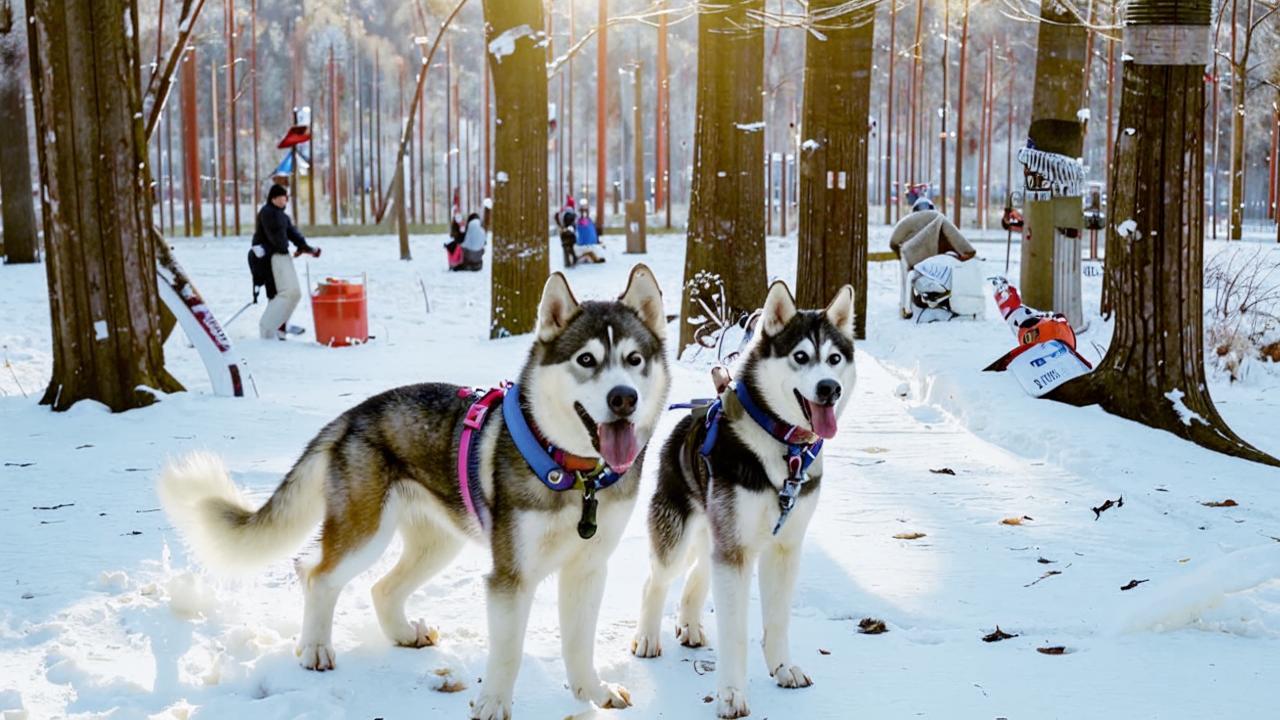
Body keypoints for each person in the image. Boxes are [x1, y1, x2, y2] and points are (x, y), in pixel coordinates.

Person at [251, 184, 320, 340]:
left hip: (281, 256)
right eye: (283, 197)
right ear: (274, 198)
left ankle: (281, 324)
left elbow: (292, 233)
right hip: (270, 258)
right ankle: (267, 328)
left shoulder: (282, 216)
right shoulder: (268, 213)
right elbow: (275, 236)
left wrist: (306, 248)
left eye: (286, 197)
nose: (285, 199)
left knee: (293, 293)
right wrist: (285, 247)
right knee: (284, 293)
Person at [574, 200, 605, 264]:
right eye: (583, 211)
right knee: (592, 251)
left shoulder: (588, 221)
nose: (585, 213)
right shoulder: (582, 221)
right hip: (585, 245)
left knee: (595, 250)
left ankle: (593, 257)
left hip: (589, 244)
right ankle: (593, 258)